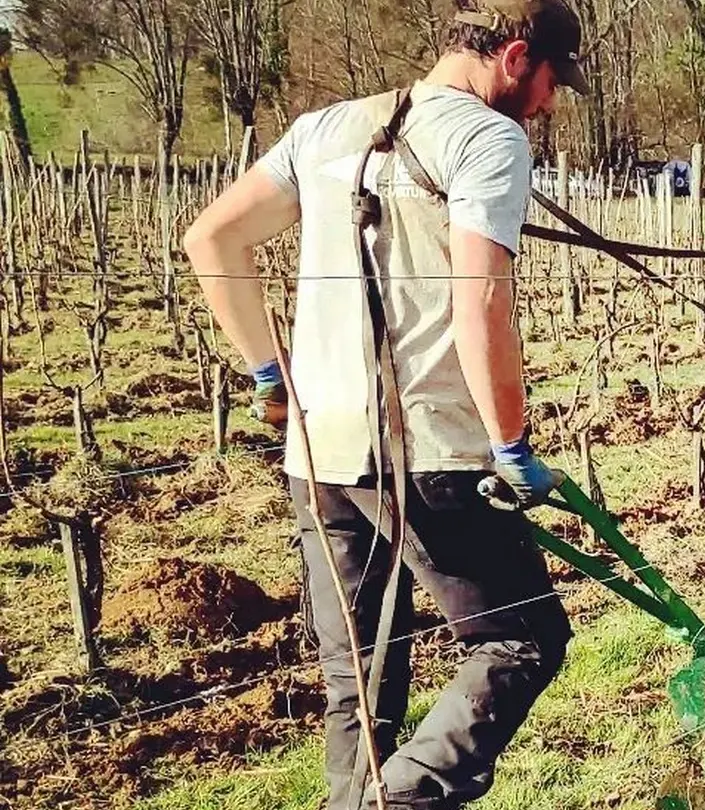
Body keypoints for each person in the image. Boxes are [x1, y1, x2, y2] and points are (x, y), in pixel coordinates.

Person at [182, 2, 588, 807]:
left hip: (319, 453)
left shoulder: (325, 128)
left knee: (360, 688)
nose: (548, 105)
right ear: (515, 58)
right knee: (521, 638)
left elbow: (213, 240)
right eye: (549, 83)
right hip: (427, 450)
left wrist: (270, 371)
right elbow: (481, 304)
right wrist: (508, 443)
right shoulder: (486, 138)